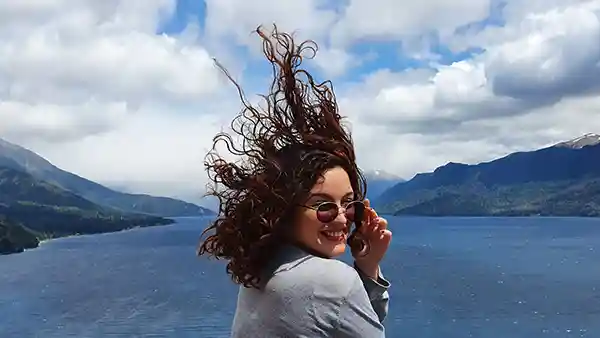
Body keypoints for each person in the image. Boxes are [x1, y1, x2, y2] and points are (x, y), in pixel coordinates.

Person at [197, 25, 393, 338]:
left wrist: (367, 268)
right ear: (286, 209)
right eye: (324, 207)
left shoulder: (262, 272)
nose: (342, 218)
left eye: (349, 204)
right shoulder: (332, 281)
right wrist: (366, 271)